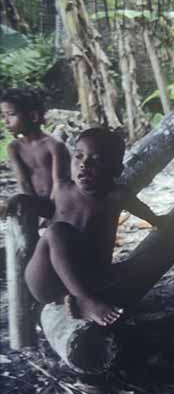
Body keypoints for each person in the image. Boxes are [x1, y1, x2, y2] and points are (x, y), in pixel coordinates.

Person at [8, 127, 165, 326]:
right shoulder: (64, 189)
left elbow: (147, 214)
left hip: (90, 275)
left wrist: (162, 222)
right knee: (56, 231)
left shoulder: (117, 196)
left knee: (137, 265)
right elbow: (49, 210)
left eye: (96, 160)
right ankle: (84, 300)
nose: (84, 164)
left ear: (116, 169)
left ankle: (73, 298)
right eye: (78, 156)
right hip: (47, 278)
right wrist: (24, 201)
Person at [1, 88, 70, 202]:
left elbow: (60, 183)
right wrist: (34, 208)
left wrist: (51, 210)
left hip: (61, 201)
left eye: (11, 114)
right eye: (3, 116)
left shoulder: (54, 145)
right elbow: (24, 183)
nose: (6, 121)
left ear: (34, 116)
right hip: (34, 203)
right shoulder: (15, 148)